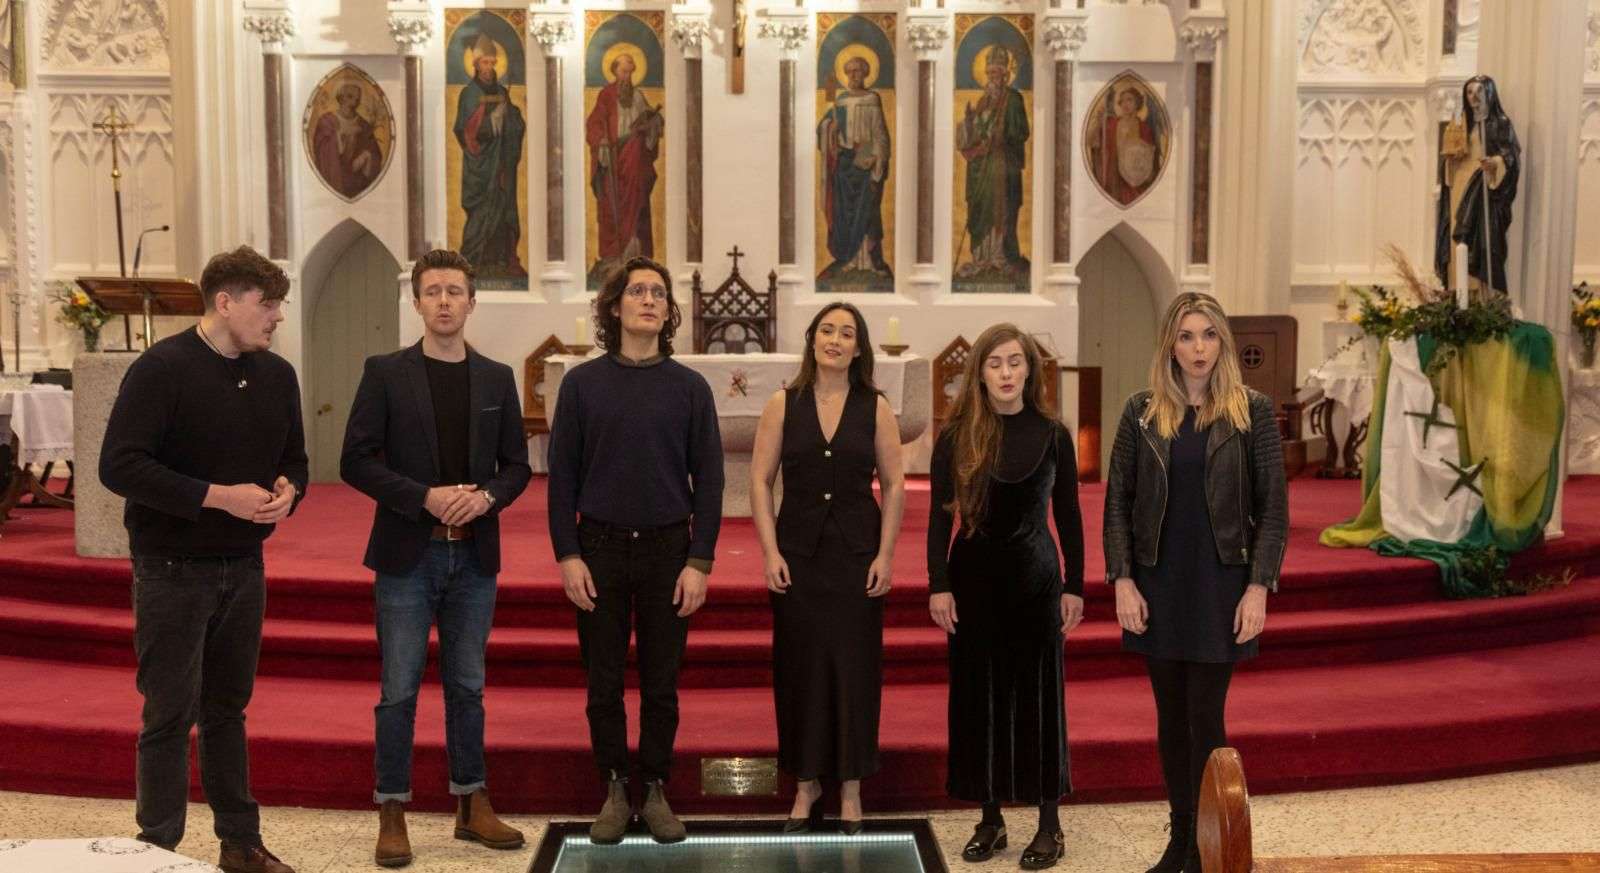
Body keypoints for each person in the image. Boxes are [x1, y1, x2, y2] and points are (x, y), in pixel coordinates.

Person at [100, 245, 307, 873]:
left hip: (244, 566)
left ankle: (240, 843)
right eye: (267, 304)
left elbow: (295, 461)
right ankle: (156, 847)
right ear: (225, 302)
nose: (277, 317)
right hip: (171, 567)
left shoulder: (278, 375)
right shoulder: (162, 368)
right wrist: (218, 497)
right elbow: (120, 466)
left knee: (227, 711)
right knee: (168, 713)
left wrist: (288, 492)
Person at [340, 249, 533, 867]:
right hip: (408, 554)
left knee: (468, 687)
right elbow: (356, 461)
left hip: (473, 557)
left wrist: (487, 498)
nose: (444, 301)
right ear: (416, 302)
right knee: (398, 689)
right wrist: (423, 497)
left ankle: (471, 802)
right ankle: (392, 808)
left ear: (472, 302)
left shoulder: (497, 377)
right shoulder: (385, 372)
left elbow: (517, 466)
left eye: (455, 291)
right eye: (433, 291)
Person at [1102, 292, 1288, 873]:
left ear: (1223, 343)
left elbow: (1273, 509)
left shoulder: (1251, 412)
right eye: (1186, 336)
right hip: (1158, 581)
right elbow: (1117, 502)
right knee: (1170, 717)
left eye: (1209, 335)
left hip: (1220, 583)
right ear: (1170, 346)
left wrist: (1258, 587)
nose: (1199, 348)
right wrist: (1122, 579)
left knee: (1205, 717)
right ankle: (1181, 837)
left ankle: (1210, 844)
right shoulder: (1140, 412)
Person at [547, 255, 724, 844]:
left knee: (660, 681)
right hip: (598, 548)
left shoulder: (690, 388)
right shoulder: (582, 385)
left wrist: (699, 561)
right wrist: (568, 554)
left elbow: (711, 480)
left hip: (668, 551)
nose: (649, 300)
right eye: (637, 291)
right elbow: (561, 478)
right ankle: (615, 786)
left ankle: (655, 787)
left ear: (669, 312)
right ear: (615, 306)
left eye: (658, 293)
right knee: (603, 680)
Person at [927, 323, 1084, 871]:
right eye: (995, 363)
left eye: (1016, 362)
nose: (1006, 373)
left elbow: (1069, 514)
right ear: (980, 373)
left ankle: (1049, 824)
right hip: (973, 581)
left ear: (1030, 370)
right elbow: (937, 518)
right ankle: (990, 818)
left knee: (1040, 701)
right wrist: (939, 584)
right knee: (979, 700)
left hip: (1035, 581)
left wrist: (1075, 585)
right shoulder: (956, 435)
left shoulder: (1053, 433)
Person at [750, 302, 905, 833]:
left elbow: (895, 484)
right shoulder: (783, 403)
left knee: (855, 671)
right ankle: (807, 784)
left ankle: (852, 787)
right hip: (798, 558)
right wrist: (770, 551)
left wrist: (886, 555)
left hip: (857, 557)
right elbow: (760, 480)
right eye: (827, 330)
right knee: (801, 670)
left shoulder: (875, 406)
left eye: (847, 333)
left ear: (859, 348)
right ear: (812, 339)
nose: (835, 340)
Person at [1433, 74, 1520, 298]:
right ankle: (1459, 293)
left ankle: (1482, 296)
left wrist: (1495, 163)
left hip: (1483, 189)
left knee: (1479, 238)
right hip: (1459, 187)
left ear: (1490, 93)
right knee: (1458, 238)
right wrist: (1449, 161)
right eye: (1470, 92)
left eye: (1480, 91)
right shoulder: (1461, 124)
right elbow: (1448, 162)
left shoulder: (1500, 123)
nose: (1474, 97)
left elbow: (1511, 157)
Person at [585, 52, 663, 283]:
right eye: (623, 71)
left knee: (637, 202)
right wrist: (601, 141)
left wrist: (652, 124)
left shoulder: (638, 97)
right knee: (611, 206)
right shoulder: (606, 95)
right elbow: (593, 124)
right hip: (612, 158)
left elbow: (653, 126)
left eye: (630, 72)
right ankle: (612, 257)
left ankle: (635, 254)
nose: (626, 76)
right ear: (614, 71)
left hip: (635, 160)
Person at [453, 33, 527, 279]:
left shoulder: (502, 92)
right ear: (475, 65)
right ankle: (474, 260)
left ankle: (502, 260)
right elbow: (464, 130)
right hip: (481, 167)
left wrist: (513, 116)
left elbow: (515, 125)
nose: (489, 67)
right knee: (481, 213)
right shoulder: (469, 94)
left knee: (503, 211)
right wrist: (490, 120)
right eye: (484, 63)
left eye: (492, 63)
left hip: (502, 165)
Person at [956, 45, 1030, 279]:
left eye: (996, 73)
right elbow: (976, 134)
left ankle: (1000, 256)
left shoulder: (1013, 99)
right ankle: (981, 258)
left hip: (1001, 164)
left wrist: (1003, 135)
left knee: (1001, 209)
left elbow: (1022, 131)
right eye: (989, 73)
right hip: (980, 165)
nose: (992, 77)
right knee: (979, 208)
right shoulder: (982, 102)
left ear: (1005, 75)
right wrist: (969, 123)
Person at [818, 58, 892, 281]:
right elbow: (822, 129)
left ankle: (871, 260)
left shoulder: (872, 99)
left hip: (866, 162)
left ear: (866, 73)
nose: (854, 75)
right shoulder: (840, 101)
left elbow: (880, 134)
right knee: (844, 214)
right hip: (845, 165)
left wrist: (877, 161)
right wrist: (830, 128)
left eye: (858, 71)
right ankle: (848, 260)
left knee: (868, 212)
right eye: (850, 72)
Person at [311, 82, 383, 199]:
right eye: (350, 96)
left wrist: (366, 156)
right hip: (334, 175)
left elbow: (375, 153)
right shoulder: (327, 121)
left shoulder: (363, 124)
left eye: (357, 98)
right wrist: (339, 137)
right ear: (340, 98)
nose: (354, 101)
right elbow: (320, 149)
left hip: (357, 181)